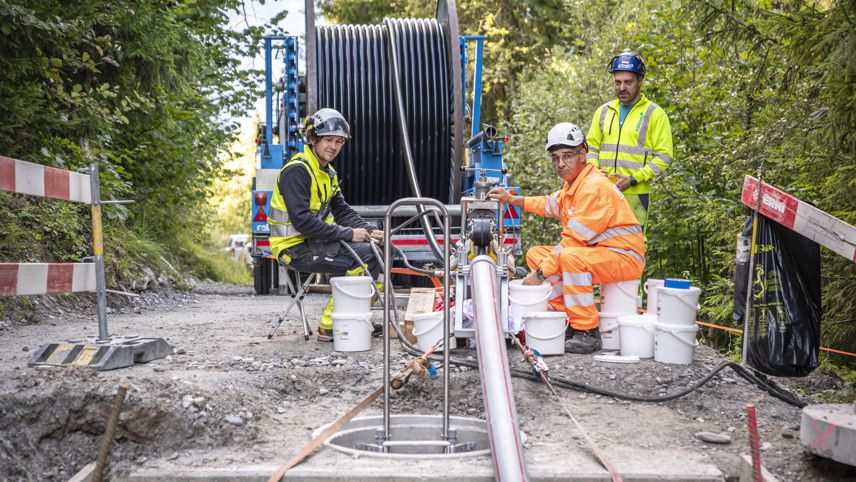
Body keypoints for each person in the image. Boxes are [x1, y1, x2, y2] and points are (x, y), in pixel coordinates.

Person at [488, 123, 644, 354]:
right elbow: (550, 203)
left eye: (568, 156)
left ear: (583, 154)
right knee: (537, 255)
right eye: (556, 158)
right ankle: (569, 320)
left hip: (624, 258)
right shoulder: (576, 185)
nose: (561, 164)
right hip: (600, 253)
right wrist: (512, 200)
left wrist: (539, 275)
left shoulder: (593, 188)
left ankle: (587, 331)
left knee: (569, 257)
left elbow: (572, 243)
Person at [268, 108, 383, 342]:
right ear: (313, 139)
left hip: (315, 243)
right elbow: (303, 223)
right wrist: (350, 234)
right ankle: (333, 323)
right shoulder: (297, 171)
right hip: (293, 249)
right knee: (368, 256)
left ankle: (356, 315)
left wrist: (369, 231)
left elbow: (341, 209)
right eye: (328, 139)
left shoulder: (327, 173)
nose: (334, 146)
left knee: (378, 251)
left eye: (339, 141)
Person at [585, 52, 673, 229]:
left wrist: (633, 179)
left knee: (633, 248)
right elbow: (590, 147)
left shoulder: (654, 114)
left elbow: (664, 157)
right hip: (602, 192)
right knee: (600, 245)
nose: (622, 87)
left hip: (636, 195)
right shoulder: (603, 111)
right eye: (617, 82)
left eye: (628, 82)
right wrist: (593, 169)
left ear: (640, 81)